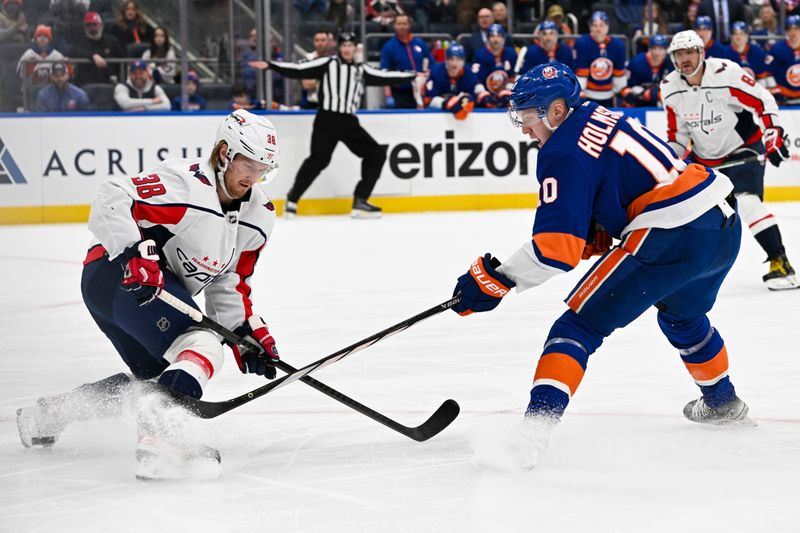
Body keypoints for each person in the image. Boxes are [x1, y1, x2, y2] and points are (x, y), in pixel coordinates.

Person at [452, 62, 750, 470]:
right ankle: (722, 401)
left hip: (671, 232)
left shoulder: (560, 151)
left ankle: (531, 438)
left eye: (527, 115)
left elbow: (556, 250)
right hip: (722, 224)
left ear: (556, 110)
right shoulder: (598, 112)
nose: (523, 127)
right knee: (683, 318)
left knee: (576, 327)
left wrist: (496, 280)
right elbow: (617, 181)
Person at [16, 109, 281, 480]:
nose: (254, 178)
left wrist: (244, 331)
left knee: (159, 383)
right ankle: (162, 436)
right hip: (116, 276)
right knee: (202, 346)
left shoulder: (258, 215)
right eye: (248, 166)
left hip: (142, 294)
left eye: (263, 170)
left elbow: (228, 281)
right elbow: (113, 194)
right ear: (224, 153)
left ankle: (49, 415)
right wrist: (132, 253)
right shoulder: (186, 185)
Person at [661, 30, 797, 290]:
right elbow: (677, 136)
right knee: (690, 211)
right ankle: (690, 269)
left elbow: (762, 98)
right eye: (679, 54)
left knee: (747, 203)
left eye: (690, 52)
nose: (685, 59)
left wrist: (773, 132)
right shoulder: (669, 88)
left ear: (702, 53)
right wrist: (667, 159)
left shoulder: (726, 74)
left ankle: (781, 263)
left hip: (743, 148)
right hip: (705, 158)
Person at [258, 32, 416, 219]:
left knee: (376, 154)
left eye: (351, 45)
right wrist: (271, 65)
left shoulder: (361, 69)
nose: (347, 49)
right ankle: (292, 199)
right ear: (339, 48)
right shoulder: (328, 64)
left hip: (348, 121)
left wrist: (412, 75)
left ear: (355, 48)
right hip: (327, 119)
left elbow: (385, 76)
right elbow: (299, 69)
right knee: (318, 160)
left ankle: (360, 201)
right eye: (344, 45)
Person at [424, 43, 491, 119]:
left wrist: (483, 97)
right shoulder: (436, 72)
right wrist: (446, 103)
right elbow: (428, 100)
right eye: (451, 59)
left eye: (458, 59)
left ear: (463, 61)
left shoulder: (469, 74)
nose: (454, 64)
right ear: (446, 60)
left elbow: (474, 95)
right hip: (438, 116)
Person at [574, 11, 626, 107]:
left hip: (609, 95)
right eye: (595, 25)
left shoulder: (618, 45)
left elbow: (618, 72)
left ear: (607, 27)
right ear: (590, 27)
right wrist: (580, 91)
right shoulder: (583, 43)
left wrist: (622, 89)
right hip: (588, 95)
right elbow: (581, 72)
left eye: (601, 25)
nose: (598, 29)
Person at [379, 14, 431, 109]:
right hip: (401, 92)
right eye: (399, 24)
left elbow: (429, 62)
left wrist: (428, 73)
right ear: (394, 25)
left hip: (421, 90)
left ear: (409, 25)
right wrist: (388, 95)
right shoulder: (389, 47)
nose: (402, 26)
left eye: (404, 23)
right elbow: (384, 73)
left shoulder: (419, 43)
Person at [70, 11, 125, 85]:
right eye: (88, 25)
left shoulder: (112, 41)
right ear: (85, 27)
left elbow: (122, 60)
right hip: (85, 83)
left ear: (101, 25)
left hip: (109, 82)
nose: (92, 28)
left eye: (94, 25)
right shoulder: (80, 41)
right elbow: (78, 52)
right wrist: (93, 56)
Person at [620, 33, 672, 107]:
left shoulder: (670, 64)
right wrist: (636, 94)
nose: (657, 52)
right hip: (638, 103)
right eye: (654, 48)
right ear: (649, 49)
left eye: (661, 48)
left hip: (662, 102)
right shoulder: (636, 63)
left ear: (666, 50)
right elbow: (624, 88)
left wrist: (657, 95)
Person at [722, 21, 773, 88]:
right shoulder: (723, 52)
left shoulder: (757, 51)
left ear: (747, 35)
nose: (738, 37)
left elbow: (763, 77)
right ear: (731, 36)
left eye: (741, 34)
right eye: (735, 34)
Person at [766, 15, 800, 104]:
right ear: (786, 32)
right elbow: (767, 72)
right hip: (783, 95)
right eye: (790, 29)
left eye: (796, 28)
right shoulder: (776, 49)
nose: (793, 32)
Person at [471, 24, 516, 89]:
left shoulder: (511, 53)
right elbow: (477, 78)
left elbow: (515, 74)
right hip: (486, 90)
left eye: (498, 36)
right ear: (488, 39)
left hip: (506, 89)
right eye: (492, 36)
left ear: (503, 39)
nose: (495, 39)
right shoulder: (480, 54)